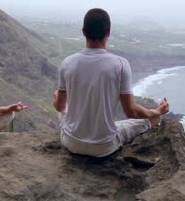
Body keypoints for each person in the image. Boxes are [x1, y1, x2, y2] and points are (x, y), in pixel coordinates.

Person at [53, 8, 170, 157]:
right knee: (153, 119)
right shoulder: (120, 64)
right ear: (108, 32)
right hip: (105, 147)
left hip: (72, 143)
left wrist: (57, 95)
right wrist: (157, 111)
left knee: (63, 109)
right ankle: (157, 115)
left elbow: (59, 107)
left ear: (83, 32)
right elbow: (131, 112)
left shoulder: (67, 63)